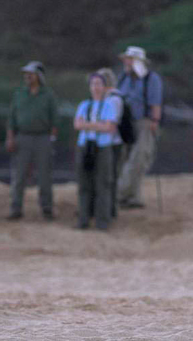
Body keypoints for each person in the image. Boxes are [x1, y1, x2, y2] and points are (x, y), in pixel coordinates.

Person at [6, 61, 58, 221]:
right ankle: (16, 208)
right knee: (19, 175)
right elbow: (11, 118)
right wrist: (10, 138)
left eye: (31, 73)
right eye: (26, 73)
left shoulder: (48, 95)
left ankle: (47, 208)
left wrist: (51, 140)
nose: (27, 76)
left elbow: (55, 120)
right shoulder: (19, 94)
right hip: (23, 137)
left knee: (44, 176)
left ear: (39, 76)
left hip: (42, 138)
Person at [116, 46, 163, 209]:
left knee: (139, 157)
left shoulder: (151, 79)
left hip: (143, 122)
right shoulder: (123, 78)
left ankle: (122, 192)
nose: (126, 62)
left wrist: (155, 122)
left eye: (129, 59)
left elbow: (155, 103)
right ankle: (131, 197)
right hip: (124, 122)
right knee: (124, 158)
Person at [73, 72, 118, 230]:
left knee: (103, 184)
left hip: (102, 147)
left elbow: (109, 127)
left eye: (99, 84)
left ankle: (102, 221)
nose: (96, 87)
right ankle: (83, 219)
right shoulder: (84, 105)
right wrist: (97, 125)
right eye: (93, 84)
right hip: (85, 145)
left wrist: (88, 125)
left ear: (104, 87)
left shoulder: (108, 105)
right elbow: (77, 125)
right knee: (84, 183)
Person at [96, 67, 124, 219]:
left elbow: (110, 124)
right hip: (105, 142)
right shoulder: (107, 98)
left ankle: (110, 209)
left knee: (110, 177)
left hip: (112, 144)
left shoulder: (114, 99)